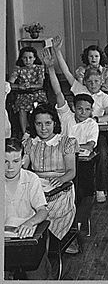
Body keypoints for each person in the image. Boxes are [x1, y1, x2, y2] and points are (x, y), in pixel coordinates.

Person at [41, 47, 99, 249]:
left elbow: (90, 146)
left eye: (87, 110)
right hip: (60, 163)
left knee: (80, 196)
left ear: (92, 111)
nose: (83, 112)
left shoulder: (91, 124)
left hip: (81, 165)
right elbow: (57, 91)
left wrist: (68, 145)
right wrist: (50, 69)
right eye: (80, 108)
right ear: (74, 107)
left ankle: (72, 232)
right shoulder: (65, 116)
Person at [53, 38, 108, 203]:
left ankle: (100, 188)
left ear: (101, 82)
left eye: (96, 81)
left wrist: (94, 118)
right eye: (90, 82)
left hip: (95, 132)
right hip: (76, 132)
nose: (93, 84)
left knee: (101, 154)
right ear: (85, 82)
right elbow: (66, 72)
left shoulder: (104, 97)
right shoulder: (80, 90)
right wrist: (58, 51)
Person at [23, 104, 78, 247]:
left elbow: (71, 171)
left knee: (46, 214)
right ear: (33, 125)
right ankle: (32, 248)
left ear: (55, 123)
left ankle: (50, 243)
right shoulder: (30, 143)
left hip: (60, 190)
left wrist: (61, 179)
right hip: (37, 188)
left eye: (48, 123)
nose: (43, 128)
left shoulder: (66, 142)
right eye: (38, 124)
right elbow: (23, 169)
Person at [4, 137, 53, 280]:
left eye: (15, 161)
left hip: (27, 240)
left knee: (37, 274)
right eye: (5, 161)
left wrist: (30, 223)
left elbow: (43, 211)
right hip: (4, 241)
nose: (10, 167)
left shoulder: (31, 179)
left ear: (23, 160)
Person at [8, 46, 48, 136]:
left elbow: (41, 84)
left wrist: (30, 86)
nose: (27, 60)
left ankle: (39, 131)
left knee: (38, 107)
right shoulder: (18, 69)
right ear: (21, 58)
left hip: (37, 93)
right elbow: (9, 84)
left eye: (30, 58)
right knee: (22, 108)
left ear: (34, 58)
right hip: (23, 94)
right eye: (25, 58)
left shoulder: (39, 68)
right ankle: (25, 133)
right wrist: (19, 86)